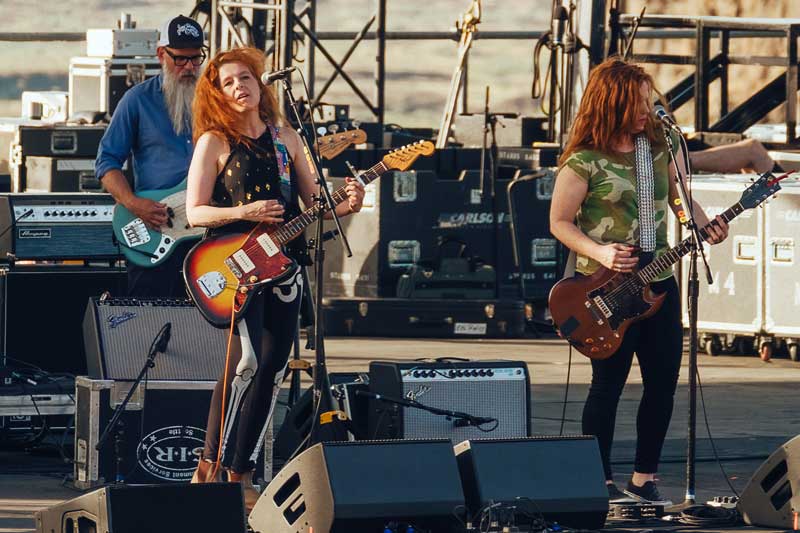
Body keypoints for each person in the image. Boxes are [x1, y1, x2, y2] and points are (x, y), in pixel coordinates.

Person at [184, 47, 365, 512]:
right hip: (234, 262)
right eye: (229, 82)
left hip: (284, 263)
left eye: (246, 77)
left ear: (261, 83)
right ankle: (209, 464)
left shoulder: (286, 137)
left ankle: (239, 471)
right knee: (244, 363)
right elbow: (194, 212)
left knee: (273, 367)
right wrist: (243, 211)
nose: (241, 86)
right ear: (217, 93)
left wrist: (350, 201)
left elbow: (316, 206)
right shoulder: (214, 141)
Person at [549, 58, 729, 506]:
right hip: (603, 290)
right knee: (606, 385)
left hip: (659, 279)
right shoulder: (583, 161)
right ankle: (599, 479)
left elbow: (681, 198)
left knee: (662, 382)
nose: (648, 110)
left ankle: (643, 479)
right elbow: (559, 222)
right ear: (614, 104)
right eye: (639, 103)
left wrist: (704, 224)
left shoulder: (660, 146)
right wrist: (600, 251)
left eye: (650, 101)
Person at [95, 14, 206, 297]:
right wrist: (133, 203)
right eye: (180, 59)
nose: (189, 67)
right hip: (156, 226)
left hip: (207, 230)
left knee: (208, 322)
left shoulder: (216, 102)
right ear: (161, 54)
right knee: (150, 316)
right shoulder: (137, 100)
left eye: (196, 58)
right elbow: (107, 162)